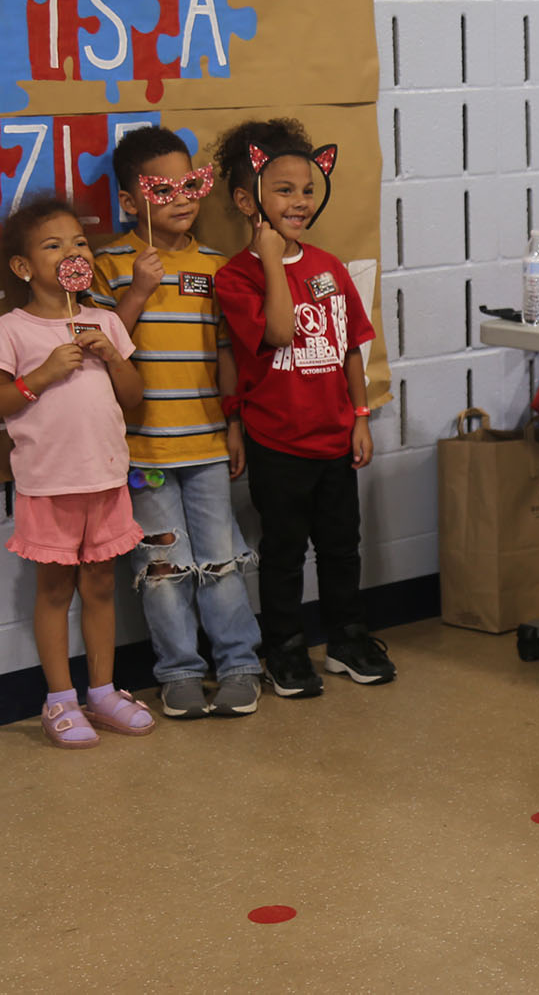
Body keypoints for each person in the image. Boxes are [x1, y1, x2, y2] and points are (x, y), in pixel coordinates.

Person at [213, 118, 393, 698]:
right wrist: (271, 260)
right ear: (248, 201)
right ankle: (285, 650)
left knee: (342, 547)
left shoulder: (329, 267)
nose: (300, 201)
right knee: (284, 553)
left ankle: (347, 638)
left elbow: (350, 349)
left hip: (335, 437)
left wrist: (360, 418)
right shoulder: (235, 278)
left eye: (308, 189)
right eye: (284, 190)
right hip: (278, 443)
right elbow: (280, 333)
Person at [93, 126, 264, 720]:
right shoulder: (109, 265)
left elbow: (225, 352)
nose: (182, 199)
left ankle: (239, 664)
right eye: (162, 190)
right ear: (129, 201)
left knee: (222, 558)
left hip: (208, 444)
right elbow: (102, 349)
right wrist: (139, 292)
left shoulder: (214, 266)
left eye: (191, 184)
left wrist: (234, 426)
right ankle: (179, 671)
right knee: (161, 568)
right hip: (144, 455)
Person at [0, 196, 152, 749]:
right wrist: (44, 374)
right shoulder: (8, 331)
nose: (71, 252)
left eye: (79, 242)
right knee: (54, 591)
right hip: (48, 484)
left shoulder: (104, 320)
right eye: (53, 245)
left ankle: (103, 691)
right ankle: (59, 699)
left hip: (106, 478)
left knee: (100, 586)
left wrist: (114, 356)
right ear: (23, 266)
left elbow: (134, 398)